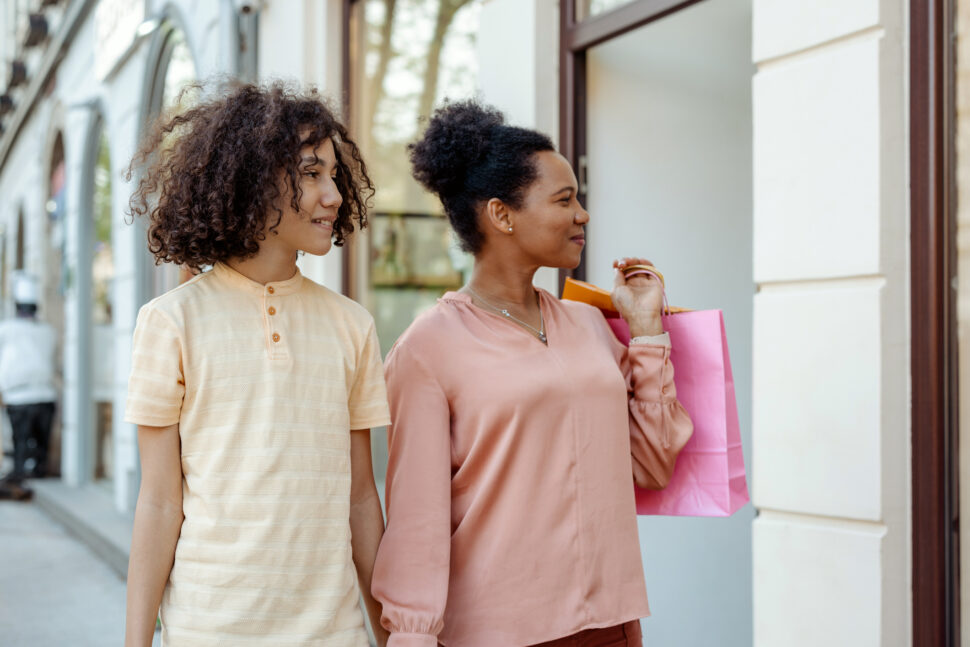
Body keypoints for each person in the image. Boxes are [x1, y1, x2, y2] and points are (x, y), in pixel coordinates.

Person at [371, 102, 694, 647]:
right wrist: (410, 636)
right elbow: (417, 525)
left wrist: (646, 333)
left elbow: (652, 464)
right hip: (497, 632)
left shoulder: (589, 325)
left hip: (607, 624)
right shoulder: (427, 348)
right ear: (502, 215)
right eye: (564, 200)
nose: (583, 214)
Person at [123, 82, 391, 647]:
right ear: (252, 179)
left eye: (335, 176)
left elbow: (362, 498)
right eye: (312, 173)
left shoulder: (352, 325)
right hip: (208, 629)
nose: (334, 195)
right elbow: (159, 501)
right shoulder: (171, 322)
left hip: (333, 633)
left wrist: (388, 633)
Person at [0, 272, 57, 484]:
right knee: (38, 442)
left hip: (22, 395)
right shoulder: (47, 331)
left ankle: (20, 476)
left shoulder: (6, 329)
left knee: (21, 441)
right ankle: (31, 474)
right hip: (40, 394)